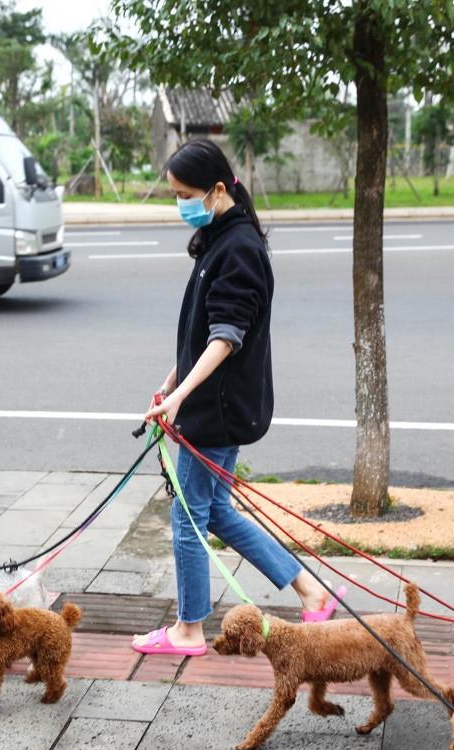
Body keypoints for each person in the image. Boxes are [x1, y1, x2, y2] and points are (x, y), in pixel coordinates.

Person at [133, 139, 342, 657]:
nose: (179, 203)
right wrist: (170, 382)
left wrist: (180, 395)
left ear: (218, 190)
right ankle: (310, 588)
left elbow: (227, 337)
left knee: (188, 515)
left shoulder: (239, 248)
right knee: (215, 511)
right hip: (213, 402)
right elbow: (202, 333)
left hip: (219, 410)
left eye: (184, 194)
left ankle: (188, 629)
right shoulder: (218, 237)